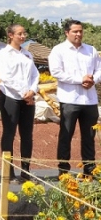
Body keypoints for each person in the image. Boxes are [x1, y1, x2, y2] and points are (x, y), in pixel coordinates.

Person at [48, 19, 101, 177]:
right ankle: (63, 169)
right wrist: (80, 79)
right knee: (66, 135)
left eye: (80, 31)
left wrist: (93, 80)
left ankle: (89, 169)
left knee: (89, 136)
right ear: (67, 32)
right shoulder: (58, 50)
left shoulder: (91, 50)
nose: (79, 34)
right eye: (75, 31)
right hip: (70, 99)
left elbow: (99, 69)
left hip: (89, 100)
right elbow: (56, 72)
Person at [0, 24, 39, 183]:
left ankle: (26, 172)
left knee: (27, 135)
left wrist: (32, 91)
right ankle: (8, 172)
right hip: (10, 96)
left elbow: (35, 75)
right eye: (19, 34)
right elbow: (6, 77)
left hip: (28, 98)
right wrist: (23, 94)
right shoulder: (4, 53)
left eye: (24, 33)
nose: (23, 36)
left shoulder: (28, 54)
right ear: (10, 35)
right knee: (9, 133)